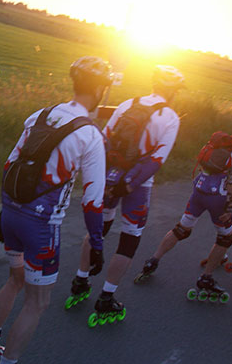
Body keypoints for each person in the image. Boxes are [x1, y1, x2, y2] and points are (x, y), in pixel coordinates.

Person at [0, 56, 110, 364]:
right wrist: (96, 244)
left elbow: (9, 164)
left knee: (14, 280)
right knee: (38, 302)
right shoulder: (91, 135)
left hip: (12, 213)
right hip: (42, 226)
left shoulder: (41, 115)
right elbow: (93, 202)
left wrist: (6, 212)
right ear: (101, 89)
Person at [68, 65, 183, 320]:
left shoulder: (127, 103)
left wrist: (106, 177)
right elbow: (157, 160)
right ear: (174, 91)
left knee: (100, 228)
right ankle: (106, 297)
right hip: (137, 185)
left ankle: (80, 281)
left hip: (110, 175)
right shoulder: (170, 116)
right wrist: (130, 184)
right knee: (130, 239)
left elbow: (105, 139)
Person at [135, 113, 232, 294]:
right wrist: (229, 205)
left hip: (200, 187)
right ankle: (206, 278)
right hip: (218, 195)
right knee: (225, 238)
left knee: (182, 229)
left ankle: (152, 261)